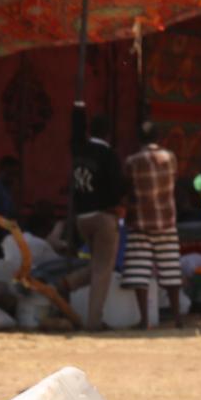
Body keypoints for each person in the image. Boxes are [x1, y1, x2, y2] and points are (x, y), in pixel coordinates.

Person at [121, 122, 185, 329]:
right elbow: (174, 180)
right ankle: (177, 319)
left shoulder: (131, 161)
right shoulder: (170, 158)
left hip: (140, 222)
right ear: (159, 137)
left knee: (139, 274)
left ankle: (144, 320)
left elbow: (128, 188)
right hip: (166, 221)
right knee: (171, 271)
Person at [72, 113, 126, 330]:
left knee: (96, 266)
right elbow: (116, 189)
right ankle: (94, 322)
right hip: (103, 217)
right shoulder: (108, 155)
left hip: (81, 218)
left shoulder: (80, 151)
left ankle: (65, 285)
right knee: (103, 270)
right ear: (108, 133)